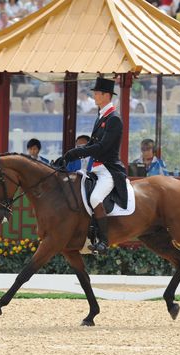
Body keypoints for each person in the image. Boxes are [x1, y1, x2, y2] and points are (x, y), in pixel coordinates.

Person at [59, 77, 127, 254]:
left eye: (97, 93)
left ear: (106, 95)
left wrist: (77, 152)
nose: (94, 96)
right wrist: (69, 154)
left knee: (95, 198)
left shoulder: (114, 119)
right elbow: (92, 144)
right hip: (95, 169)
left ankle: (103, 241)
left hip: (108, 169)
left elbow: (102, 147)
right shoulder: (101, 116)